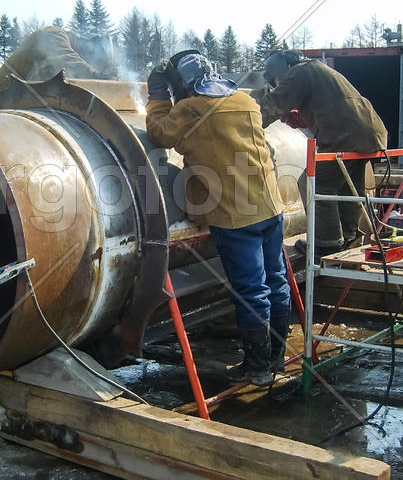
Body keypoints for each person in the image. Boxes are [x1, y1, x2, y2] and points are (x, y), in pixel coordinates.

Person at [145, 52, 291, 386]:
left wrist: (157, 97)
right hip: (270, 205)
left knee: (251, 291)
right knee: (276, 281)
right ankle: (275, 360)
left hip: (235, 215)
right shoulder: (245, 100)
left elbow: (158, 134)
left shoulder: (190, 109)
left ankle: (257, 369)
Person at [259, 50, 388, 259]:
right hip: (367, 133)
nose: (277, 82)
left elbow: (273, 104)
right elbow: (330, 106)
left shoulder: (301, 72)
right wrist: (304, 118)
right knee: (347, 187)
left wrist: (245, 122)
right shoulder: (317, 70)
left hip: (346, 136)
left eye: (276, 78)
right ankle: (348, 237)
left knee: (312, 183)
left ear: (282, 68)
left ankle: (326, 244)